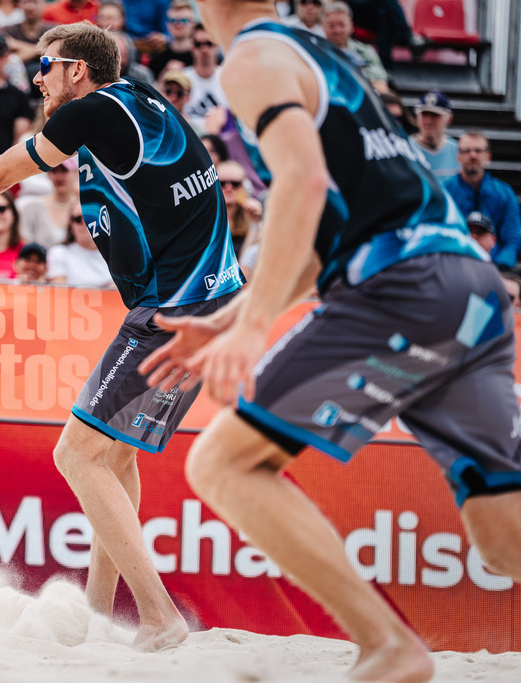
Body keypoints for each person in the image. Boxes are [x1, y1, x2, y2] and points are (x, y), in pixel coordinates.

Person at [138, 4, 521, 683]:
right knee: (501, 538)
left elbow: (305, 186)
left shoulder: (253, 58)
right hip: (468, 283)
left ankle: (387, 645)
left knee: (224, 463)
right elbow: (323, 237)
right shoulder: (316, 50)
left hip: (403, 282)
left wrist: (253, 330)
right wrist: (234, 319)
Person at [0, 22, 241, 650]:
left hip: (177, 310)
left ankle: (159, 615)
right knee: (113, 456)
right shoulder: (140, 100)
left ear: (77, 69)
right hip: (211, 300)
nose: (36, 78)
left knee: (75, 455)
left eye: (43, 66)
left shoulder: (94, 111)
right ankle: (97, 618)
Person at [444, 130, 521, 271]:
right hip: (454, 268)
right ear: (458, 157)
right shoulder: (445, 192)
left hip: (495, 267)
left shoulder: (505, 193)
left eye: (478, 151)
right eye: (467, 151)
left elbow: (513, 239)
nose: (473, 155)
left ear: (488, 156)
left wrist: (498, 268)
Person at [322, 0, 388, 94]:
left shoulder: (365, 51)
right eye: (331, 26)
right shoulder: (316, 50)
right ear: (323, 27)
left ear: (351, 27)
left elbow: (380, 82)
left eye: (342, 25)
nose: (337, 30)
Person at [46, 201, 113, 287]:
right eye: (78, 219)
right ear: (71, 225)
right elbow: (59, 293)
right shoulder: (58, 253)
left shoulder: (116, 255)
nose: (84, 224)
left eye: (89, 218)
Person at [15, 157, 78, 247]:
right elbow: (25, 244)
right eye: (54, 171)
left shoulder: (84, 207)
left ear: (75, 172)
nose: (59, 177)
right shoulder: (32, 207)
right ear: (48, 175)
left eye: (64, 171)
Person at [181, 24, 227, 130]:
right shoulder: (182, 78)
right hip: (191, 137)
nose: (204, 49)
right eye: (198, 44)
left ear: (217, 45)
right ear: (191, 47)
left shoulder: (227, 77)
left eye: (209, 43)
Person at [409, 90, 458, 183]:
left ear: (449, 118)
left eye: (435, 115)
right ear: (417, 117)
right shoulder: (407, 148)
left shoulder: (457, 150)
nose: (428, 120)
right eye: (424, 114)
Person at [148, 0, 195, 77]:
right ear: (167, 24)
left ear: (193, 24)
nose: (178, 24)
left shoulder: (201, 55)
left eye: (184, 20)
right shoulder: (157, 59)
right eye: (173, 20)